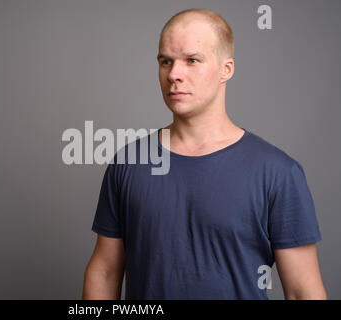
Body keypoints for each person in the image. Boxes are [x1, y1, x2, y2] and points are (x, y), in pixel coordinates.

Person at [82, 8, 326, 299]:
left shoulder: (278, 173)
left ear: (227, 69)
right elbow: (105, 271)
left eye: (192, 60)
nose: (174, 74)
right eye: (165, 61)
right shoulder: (129, 164)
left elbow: (302, 291)